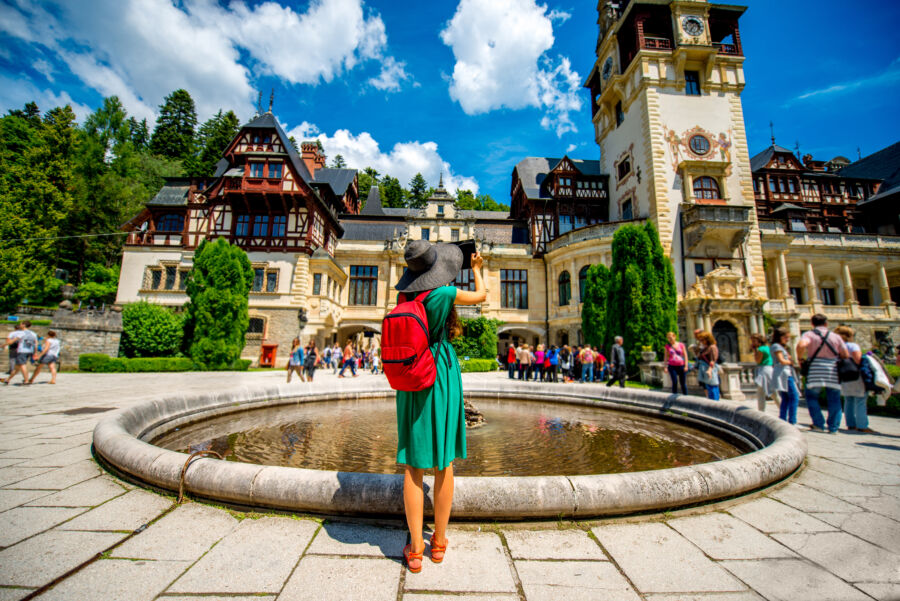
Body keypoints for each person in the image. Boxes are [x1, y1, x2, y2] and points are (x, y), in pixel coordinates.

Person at [392, 239, 486, 573]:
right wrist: (476, 269)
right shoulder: (444, 295)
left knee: (413, 464)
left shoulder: (404, 297)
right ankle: (439, 543)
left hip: (411, 374)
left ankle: (415, 549)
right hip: (441, 372)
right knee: (443, 462)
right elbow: (482, 297)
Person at [796, 314, 848, 433]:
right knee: (834, 399)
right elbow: (845, 354)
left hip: (815, 370)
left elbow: (801, 345)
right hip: (833, 370)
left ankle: (818, 424)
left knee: (812, 397)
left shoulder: (809, 334)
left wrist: (800, 359)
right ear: (826, 323)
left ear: (812, 324)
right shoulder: (835, 336)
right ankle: (833, 427)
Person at [834, 326, 875, 433]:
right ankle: (862, 425)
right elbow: (857, 360)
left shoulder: (836, 347)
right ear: (850, 336)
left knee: (848, 400)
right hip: (856, 375)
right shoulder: (852, 345)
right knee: (860, 400)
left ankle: (851, 424)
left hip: (844, 375)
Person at [771, 327, 800, 425]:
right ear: (780, 337)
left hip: (784, 373)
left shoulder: (779, 346)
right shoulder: (776, 346)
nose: (787, 339)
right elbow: (782, 360)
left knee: (786, 398)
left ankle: (783, 419)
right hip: (784, 373)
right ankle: (792, 421)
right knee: (794, 397)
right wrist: (791, 362)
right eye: (786, 337)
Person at [2, 320, 36, 385]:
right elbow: (36, 343)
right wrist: (35, 352)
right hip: (29, 351)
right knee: (17, 367)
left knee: (22, 365)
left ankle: (26, 381)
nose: (20, 325)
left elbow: (12, 342)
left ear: (24, 325)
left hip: (22, 351)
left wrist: (3, 345)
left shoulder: (21, 333)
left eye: (20, 324)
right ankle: (8, 379)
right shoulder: (33, 333)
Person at [750, 333, 775, 412]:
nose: (752, 343)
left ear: (759, 341)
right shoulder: (767, 348)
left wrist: (754, 351)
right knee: (772, 392)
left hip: (764, 370)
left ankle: (761, 411)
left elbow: (758, 360)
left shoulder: (760, 349)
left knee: (761, 392)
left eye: (754, 341)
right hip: (770, 368)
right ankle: (782, 410)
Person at [696, 331, 720, 400]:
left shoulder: (712, 347)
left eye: (702, 340)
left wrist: (709, 370)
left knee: (713, 386)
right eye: (700, 340)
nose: (701, 341)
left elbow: (713, 360)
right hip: (705, 369)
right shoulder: (705, 348)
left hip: (710, 369)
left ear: (708, 339)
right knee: (709, 387)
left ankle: (715, 403)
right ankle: (712, 402)